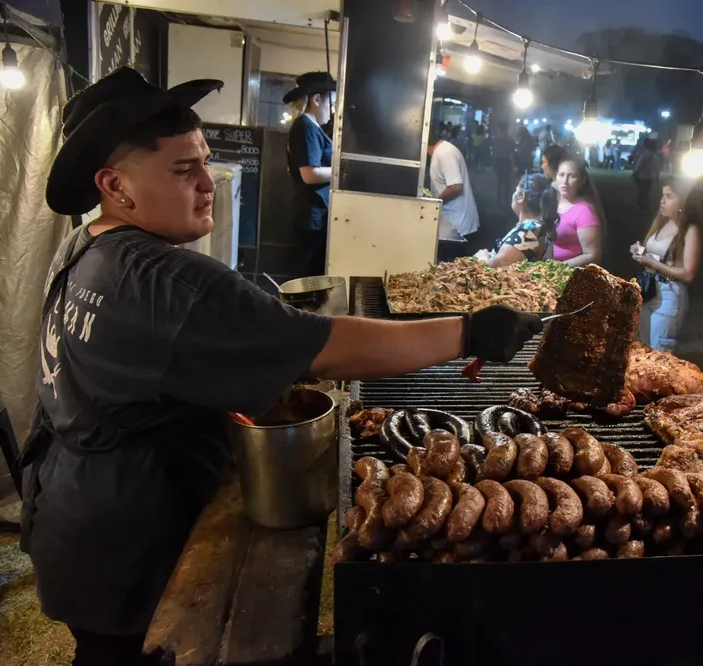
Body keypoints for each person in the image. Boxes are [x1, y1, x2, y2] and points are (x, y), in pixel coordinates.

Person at [30, 68, 541, 666]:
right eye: (182, 170)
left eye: (205, 162)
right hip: (130, 541)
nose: (208, 183)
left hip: (73, 515)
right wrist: (470, 331)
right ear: (115, 184)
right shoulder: (162, 281)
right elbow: (326, 348)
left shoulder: (85, 245)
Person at [631, 180, 701, 350]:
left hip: (669, 296)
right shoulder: (662, 223)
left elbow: (688, 274)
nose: (662, 201)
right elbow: (653, 257)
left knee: (658, 355)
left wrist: (651, 261)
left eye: (669, 196)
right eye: (662, 196)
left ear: (683, 200)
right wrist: (639, 252)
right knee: (642, 349)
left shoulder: (690, 230)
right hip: (649, 293)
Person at [284, 71, 335, 277]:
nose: (332, 109)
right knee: (307, 275)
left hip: (316, 213)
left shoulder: (312, 127)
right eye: (330, 102)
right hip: (311, 214)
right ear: (316, 99)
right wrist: (341, 171)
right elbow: (309, 174)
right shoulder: (306, 127)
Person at [475, 173, 558, 268]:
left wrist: (482, 257)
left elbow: (496, 266)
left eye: (516, 190)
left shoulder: (528, 231)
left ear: (521, 197)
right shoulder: (535, 226)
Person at [427, 124, 479, 261]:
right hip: (451, 225)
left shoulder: (444, 153)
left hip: (458, 227)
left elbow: (456, 186)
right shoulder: (439, 152)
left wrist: (433, 203)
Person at [553, 156, 603, 267]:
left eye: (572, 176)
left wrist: (558, 268)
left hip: (567, 274)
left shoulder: (584, 211)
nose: (565, 181)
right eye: (561, 175)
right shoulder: (550, 203)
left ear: (581, 181)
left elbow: (592, 255)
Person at [492, 123, 516, 209]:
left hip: (499, 160)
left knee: (499, 181)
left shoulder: (497, 139)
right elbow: (512, 153)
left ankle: (499, 200)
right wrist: (513, 164)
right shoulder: (510, 140)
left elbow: (494, 152)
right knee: (506, 182)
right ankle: (506, 201)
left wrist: (493, 163)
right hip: (506, 161)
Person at [633, 138, 659, 214]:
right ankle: (643, 206)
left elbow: (639, 164)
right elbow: (657, 167)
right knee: (645, 192)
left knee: (642, 192)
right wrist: (657, 176)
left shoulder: (644, 154)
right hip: (650, 177)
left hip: (641, 177)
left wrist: (635, 172)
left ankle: (640, 205)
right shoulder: (654, 155)